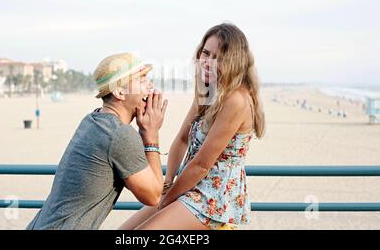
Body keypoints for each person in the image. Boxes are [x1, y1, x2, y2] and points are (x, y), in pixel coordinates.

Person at [119, 23, 265, 230]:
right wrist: (168, 180)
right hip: (189, 186)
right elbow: (182, 139)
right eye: (206, 53)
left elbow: (202, 165)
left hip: (214, 200)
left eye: (218, 57)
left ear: (233, 62)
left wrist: (168, 198)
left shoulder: (237, 100)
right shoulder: (208, 92)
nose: (208, 62)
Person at [27, 53, 168, 230]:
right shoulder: (119, 134)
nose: (150, 86)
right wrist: (151, 135)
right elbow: (153, 196)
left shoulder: (92, 119)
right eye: (141, 80)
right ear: (119, 91)